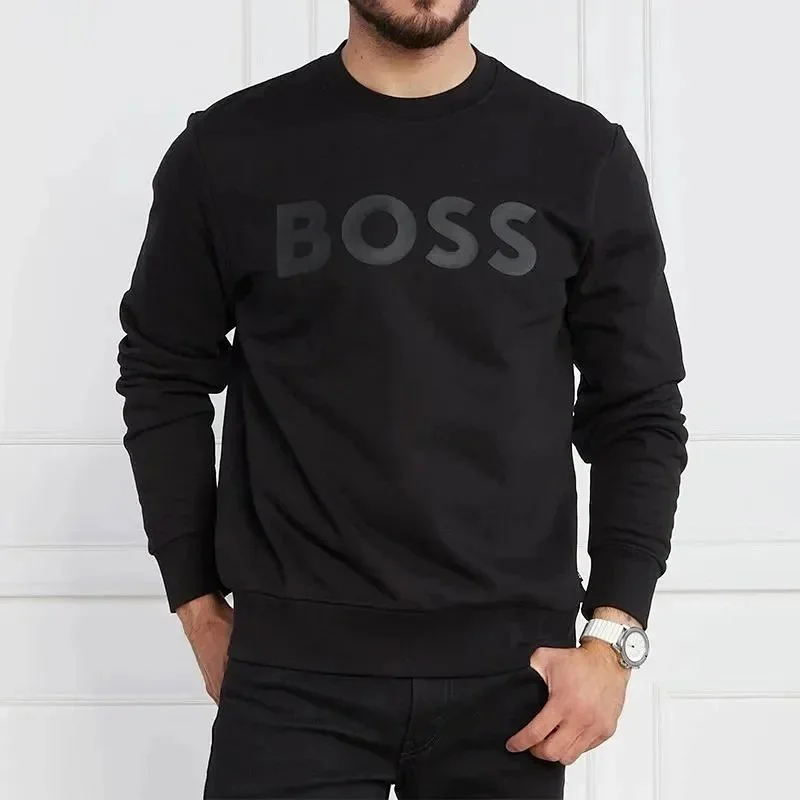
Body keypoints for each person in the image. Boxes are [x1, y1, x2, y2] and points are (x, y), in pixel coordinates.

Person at [115, 1, 688, 797]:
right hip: (292, 678)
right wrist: (196, 603)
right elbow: (163, 373)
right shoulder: (229, 149)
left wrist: (614, 638)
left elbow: (639, 407)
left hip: (515, 682)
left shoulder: (579, 154)